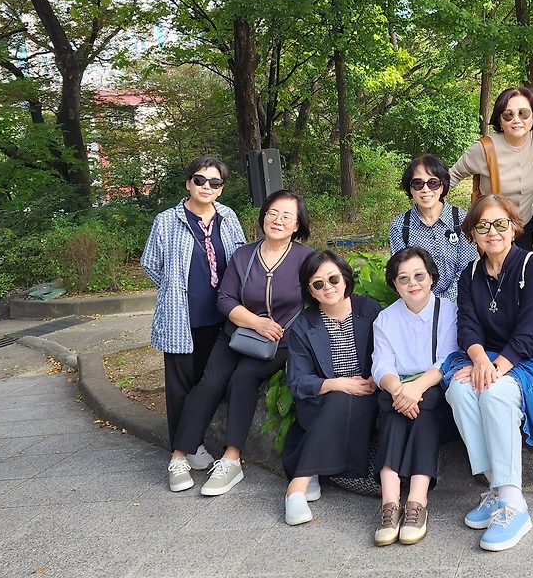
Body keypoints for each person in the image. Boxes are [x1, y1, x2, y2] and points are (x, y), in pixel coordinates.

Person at [443, 194, 533, 552]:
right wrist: (480, 361)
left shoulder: (531, 266)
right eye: (483, 226)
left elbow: (530, 331)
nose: (492, 232)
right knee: (459, 390)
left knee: (492, 391)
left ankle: (515, 506)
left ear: (514, 228)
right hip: (490, 360)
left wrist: (493, 369)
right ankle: (497, 489)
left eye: (500, 224)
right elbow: (467, 327)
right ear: (473, 233)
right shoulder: (469, 274)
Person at [181, 189, 315, 497]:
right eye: (272, 213)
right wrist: (256, 322)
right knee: (210, 382)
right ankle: (181, 452)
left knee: (243, 377)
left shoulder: (306, 259)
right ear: (263, 216)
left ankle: (231, 460)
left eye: (287, 216)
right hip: (236, 333)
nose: (277, 220)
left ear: (297, 225)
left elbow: (321, 296)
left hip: (280, 340)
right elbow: (225, 298)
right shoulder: (243, 255)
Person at [141, 156, 248, 492]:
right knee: (180, 387)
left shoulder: (228, 217)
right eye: (200, 180)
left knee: (208, 382)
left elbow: (240, 258)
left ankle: (194, 444)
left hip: (222, 316)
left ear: (221, 188)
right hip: (181, 317)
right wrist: (175, 289)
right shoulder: (167, 220)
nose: (206, 187)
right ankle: (185, 452)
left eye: (215, 183)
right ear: (188, 182)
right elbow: (151, 264)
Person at [281, 250, 382, 526]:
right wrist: (338, 384)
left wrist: (377, 377)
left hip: (369, 396)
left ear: (345, 278)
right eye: (318, 283)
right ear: (310, 291)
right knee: (338, 399)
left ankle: (301, 479)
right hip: (323, 401)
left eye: (333, 279)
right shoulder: (304, 324)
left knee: (345, 401)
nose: (328, 287)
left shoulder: (369, 310)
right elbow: (298, 380)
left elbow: (389, 353)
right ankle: (298, 489)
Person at [370, 247, 460, 546]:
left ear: (432, 277)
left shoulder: (449, 311)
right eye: (403, 278)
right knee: (392, 412)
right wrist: (399, 390)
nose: (413, 283)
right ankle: (390, 504)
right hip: (399, 393)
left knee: (425, 408)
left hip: (436, 396)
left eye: (419, 275)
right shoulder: (385, 319)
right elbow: (381, 364)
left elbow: (448, 360)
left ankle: (416, 502)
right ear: (394, 284)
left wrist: (416, 389)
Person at [450, 86, 533, 251]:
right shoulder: (484, 149)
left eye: (523, 113)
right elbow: (452, 176)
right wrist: (431, 207)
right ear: (500, 120)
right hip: (492, 232)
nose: (516, 120)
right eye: (508, 115)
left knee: (523, 267)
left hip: (524, 228)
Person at [389, 154, 478, 302]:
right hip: (417, 304)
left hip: (459, 302)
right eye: (418, 183)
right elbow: (401, 273)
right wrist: (427, 304)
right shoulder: (400, 226)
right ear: (410, 188)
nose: (425, 189)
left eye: (433, 183)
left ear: (442, 186)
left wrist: (443, 303)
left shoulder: (462, 220)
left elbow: (466, 269)